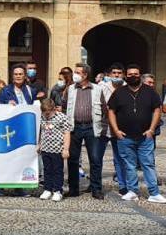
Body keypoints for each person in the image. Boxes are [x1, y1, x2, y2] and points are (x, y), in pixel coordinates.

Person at [106, 64, 166, 203]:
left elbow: (157, 110)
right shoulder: (119, 92)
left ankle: (154, 193)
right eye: (130, 74)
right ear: (126, 76)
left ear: (139, 75)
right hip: (125, 136)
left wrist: (152, 129)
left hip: (145, 136)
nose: (133, 76)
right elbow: (111, 111)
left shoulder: (150, 92)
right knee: (129, 165)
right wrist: (116, 130)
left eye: (136, 74)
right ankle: (132, 191)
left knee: (148, 164)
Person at [65, 63, 102, 199]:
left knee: (95, 159)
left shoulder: (97, 89)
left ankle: (96, 189)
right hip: (74, 127)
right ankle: (73, 189)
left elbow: (104, 108)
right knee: (73, 160)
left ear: (85, 75)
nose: (74, 74)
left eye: (77, 72)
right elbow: (64, 105)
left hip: (91, 127)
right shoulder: (70, 89)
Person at [95, 63, 127, 193]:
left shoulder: (127, 87)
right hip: (102, 128)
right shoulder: (101, 87)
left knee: (120, 159)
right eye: (114, 73)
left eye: (119, 73)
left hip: (119, 129)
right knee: (96, 158)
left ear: (123, 75)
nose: (116, 75)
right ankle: (95, 185)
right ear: (109, 74)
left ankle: (123, 185)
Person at [37, 96, 72, 202]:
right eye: (44, 113)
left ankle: (57, 190)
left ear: (53, 109)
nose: (46, 115)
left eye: (48, 113)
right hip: (45, 148)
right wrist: (39, 144)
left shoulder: (62, 118)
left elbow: (67, 133)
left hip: (57, 149)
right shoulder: (42, 117)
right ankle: (47, 189)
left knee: (57, 171)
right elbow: (40, 131)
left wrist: (66, 149)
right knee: (47, 170)